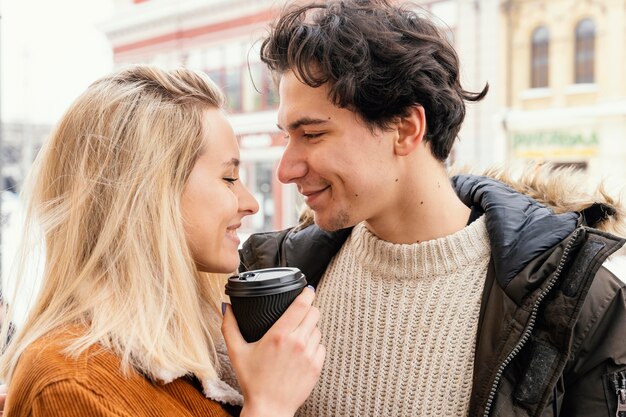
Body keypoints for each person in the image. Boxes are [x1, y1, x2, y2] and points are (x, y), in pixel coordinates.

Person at [236, 0, 626, 416]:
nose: (285, 170)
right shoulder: (275, 281)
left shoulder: (577, 302)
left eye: (312, 134)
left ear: (405, 129)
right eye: (286, 138)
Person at [0, 65, 325, 417]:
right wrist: (269, 407)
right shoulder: (70, 385)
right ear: (150, 196)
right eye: (229, 177)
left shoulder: (186, 359)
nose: (250, 202)